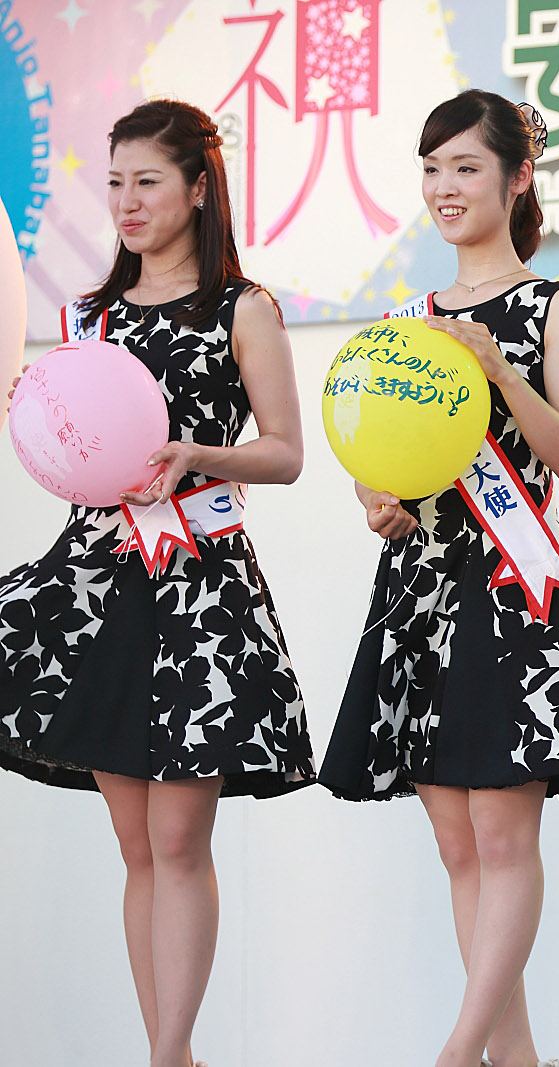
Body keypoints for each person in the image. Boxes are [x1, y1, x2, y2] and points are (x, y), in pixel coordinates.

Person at [0, 98, 315, 1067]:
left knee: (180, 838)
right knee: (136, 844)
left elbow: (286, 452)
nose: (127, 203)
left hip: (198, 588)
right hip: (99, 585)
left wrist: (198, 454)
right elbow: (72, 451)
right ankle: (166, 1052)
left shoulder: (242, 308)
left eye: (148, 182)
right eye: (115, 183)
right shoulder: (85, 317)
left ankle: (172, 1052)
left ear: (199, 188)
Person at [319, 90, 559, 1067]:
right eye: (432, 168)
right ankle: (514, 1058)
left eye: (466, 167)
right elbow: (371, 445)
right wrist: (374, 495)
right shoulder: (405, 320)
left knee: (502, 833)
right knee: (457, 844)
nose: (444, 188)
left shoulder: (554, 306)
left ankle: (457, 1050)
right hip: (421, 589)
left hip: (514, 586)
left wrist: (502, 371)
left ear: (517, 177)